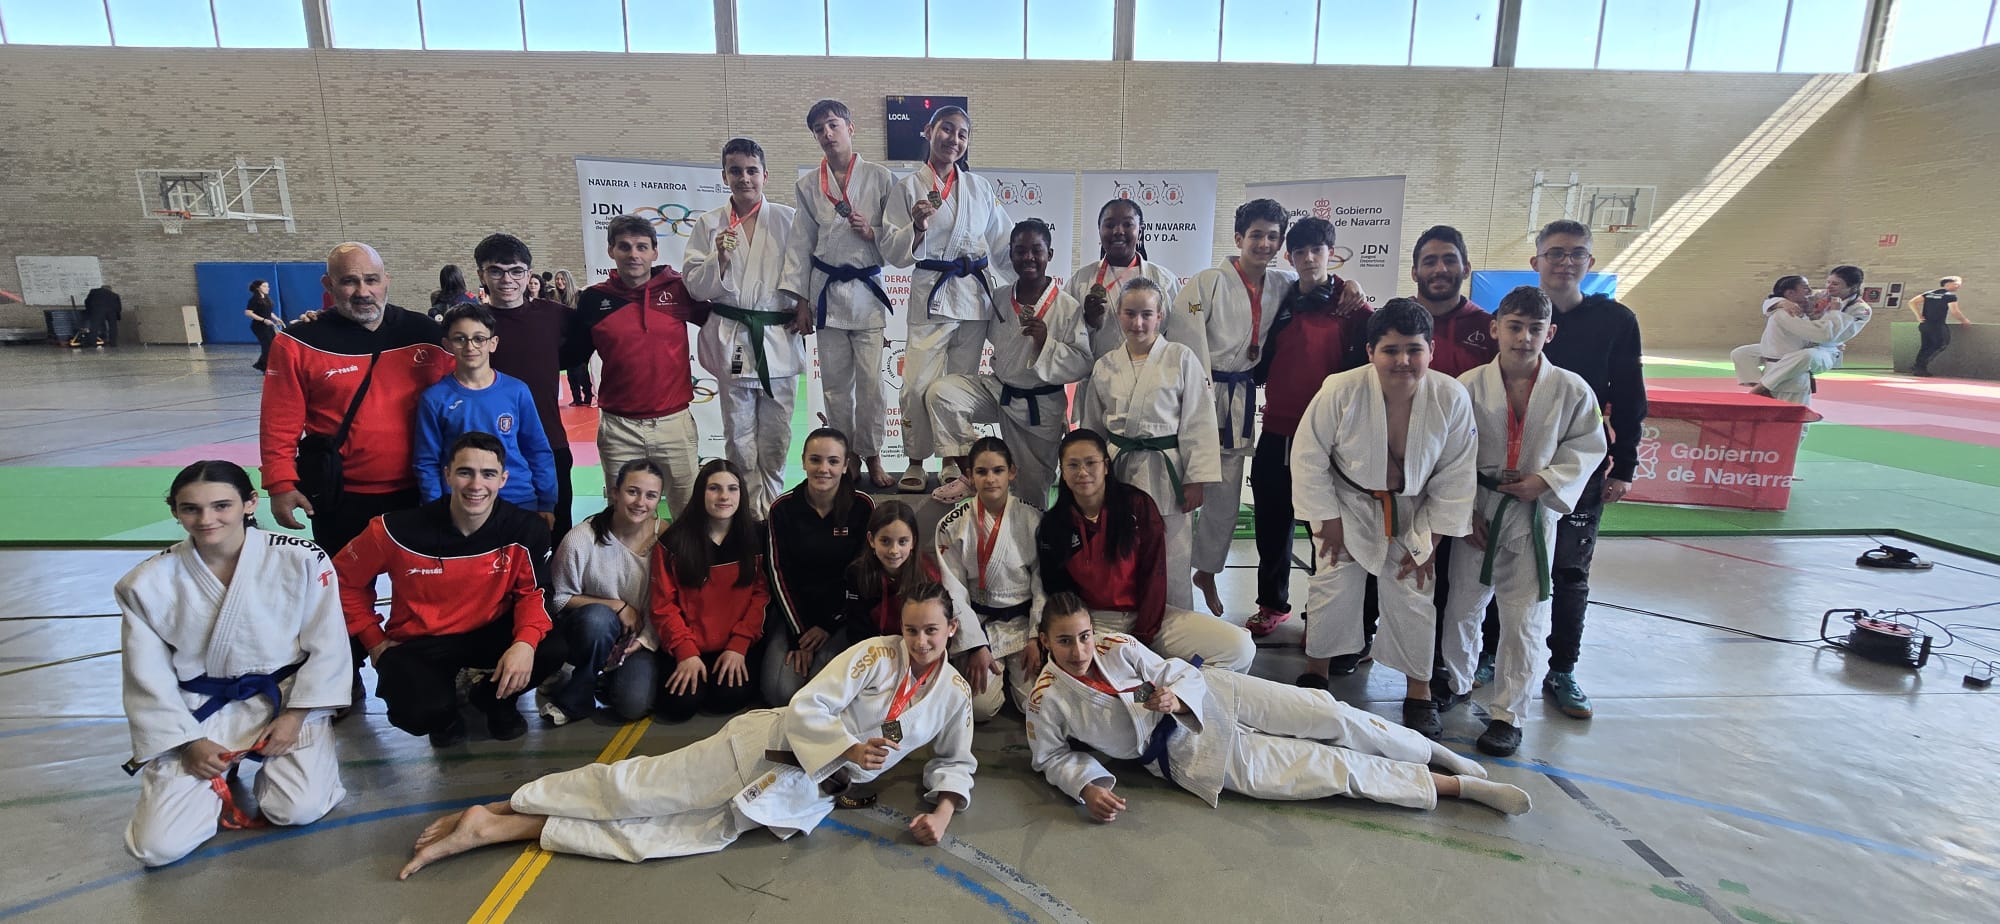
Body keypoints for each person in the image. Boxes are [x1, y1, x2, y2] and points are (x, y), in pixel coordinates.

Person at [396, 583, 976, 876]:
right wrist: (848, 745)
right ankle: (506, 806)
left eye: (931, 631)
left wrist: (943, 813)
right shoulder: (875, 655)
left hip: (805, 793)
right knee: (639, 789)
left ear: (952, 628)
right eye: (911, 630)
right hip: (768, 749)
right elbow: (807, 705)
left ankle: (498, 827)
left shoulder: (953, 694)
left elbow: (955, 760)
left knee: (658, 837)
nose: (919, 641)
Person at [1026, 596, 1529, 820]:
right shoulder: (1048, 698)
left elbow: (1164, 672)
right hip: (1182, 752)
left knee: (1327, 712)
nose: (1080, 649)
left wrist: (1173, 695)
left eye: (1084, 636)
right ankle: (1458, 787)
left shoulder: (1115, 645)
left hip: (1213, 692)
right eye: (1065, 641)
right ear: (1045, 640)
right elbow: (1051, 757)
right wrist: (1086, 786)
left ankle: (1436, 753)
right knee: (1323, 766)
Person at [117, 461, 351, 866]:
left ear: (250, 503)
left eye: (221, 506)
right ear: (175, 511)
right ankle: (210, 773)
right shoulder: (146, 582)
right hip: (198, 713)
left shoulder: (301, 559)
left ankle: (295, 757)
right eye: (191, 508)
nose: (206, 519)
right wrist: (189, 742)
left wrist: (296, 716)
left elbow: (328, 644)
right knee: (156, 847)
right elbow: (147, 676)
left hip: (283, 700)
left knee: (297, 808)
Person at [260, 242, 452, 710]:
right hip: (341, 496)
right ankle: (343, 676)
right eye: (348, 281)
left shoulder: (427, 335)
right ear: (328, 286)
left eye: (370, 280)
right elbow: (280, 419)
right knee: (339, 593)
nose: (362, 291)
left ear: (387, 281)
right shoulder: (299, 341)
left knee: (426, 589)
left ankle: (429, 674)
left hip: (419, 492)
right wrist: (281, 483)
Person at [1484, 220, 1648, 721]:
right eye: (1555, 252)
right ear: (1536, 261)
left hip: (1577, 469)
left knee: (1569, 571)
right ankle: (1489, 654)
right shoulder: (1514, 316)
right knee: (1499, 562)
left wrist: (1624, 464)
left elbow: (1630, 394)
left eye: (1576, 253)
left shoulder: (1615, 320)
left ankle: (1562, 668)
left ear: (1590, 262)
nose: (1565, 262)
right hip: (1510, 471)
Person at [1290, 300, 1477, 738]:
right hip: (1347, 504)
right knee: (1332, 584)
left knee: (1415, 593)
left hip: (1414, 511)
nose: (1403, 361)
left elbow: (1455, 473)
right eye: (1391, 350)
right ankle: (1317, 672)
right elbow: (1309, 455)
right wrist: (1327, 520)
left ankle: (1419, 692)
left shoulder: (1451, 396)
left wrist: (1434, 538)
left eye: (1414, 349)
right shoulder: (1340, 389)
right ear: (1370, 351)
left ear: (1431, 350)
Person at [1439, 287, 1606, 757]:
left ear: (1550, 333)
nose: (1523, 338)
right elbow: (1450, 453)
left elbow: (1588, 446)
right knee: (1462, 606)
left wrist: (1546, 481)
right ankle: (1455, 680)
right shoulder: (1467, 385)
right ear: (1495, 329)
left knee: (1523, 616)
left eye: (1535, 329)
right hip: (1480, 507)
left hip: (1534, 514)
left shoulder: (1572, 389)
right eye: (1514, 327)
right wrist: (1463, 511)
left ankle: (1508, 714)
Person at [336, 432, 564, 747]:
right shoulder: (394, 530)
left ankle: (493, 699)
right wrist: (374, 640)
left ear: (503, 479)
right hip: (422, 640)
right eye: (465, 472)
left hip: (489, 631)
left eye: (488, 474)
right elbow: (341, 581)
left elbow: (534, 593)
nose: (476, 485)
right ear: (447, 475)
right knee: (416, 712)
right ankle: (445, 716)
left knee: (553, 646)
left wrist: (524, 643)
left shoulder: (526, 529)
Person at [1038, 429, 1255, 673]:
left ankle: (1184, 689)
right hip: (1092, 625)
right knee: (1110, 681)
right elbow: (1058, 592)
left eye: (1091, 463)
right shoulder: (1054, 525)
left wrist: (1143, 635)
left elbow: (1155, 574)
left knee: (1239, 647)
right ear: (1062, 471)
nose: (1082, 472)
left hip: (1149, 618)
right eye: (1073, 465)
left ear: (1106, 466)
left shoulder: (1136, 505)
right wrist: (1079, 635)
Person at [880, 105, 1014, 494]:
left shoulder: (979, 188)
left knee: (956, 385)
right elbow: (891, 249)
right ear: (928, 130)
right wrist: (917, 228)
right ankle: (915, 458)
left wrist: (1028, 278)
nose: (954, 139)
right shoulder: (907, 187)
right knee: (916, 385)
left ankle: (952, 460)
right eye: (947, 129)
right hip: (931, 294)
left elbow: (1002, 242)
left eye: (962, 134)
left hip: (972, 296)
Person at [1173, 200, 1294, 621]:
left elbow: (1322, 284)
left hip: (1240, 396)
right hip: (1200, 393)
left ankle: (1206, 570)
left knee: (1225, 495)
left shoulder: (1283, 284)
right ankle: (1171, 574)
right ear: (1239, 237)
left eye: (1273, 236)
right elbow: (1186, 339)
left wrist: (1347, 286)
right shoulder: (1207, 283)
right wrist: (1198, 396)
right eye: (1256, 234)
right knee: (1184, 487)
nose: (1264, 243)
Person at [926, 218, 1091, 508]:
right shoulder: (1000, 297)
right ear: (1011, 255)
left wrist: (1046, 344)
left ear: (1049, 255)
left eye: (1036, 250)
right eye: (1020, 251)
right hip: (999, 391)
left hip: (1040, 408)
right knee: (942, 393)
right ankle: (972, 472)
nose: (1028, 257)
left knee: (1031, 497)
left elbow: (1082, 363)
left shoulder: (1067, 307)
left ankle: (1030, 534)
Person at [780, 99, 900, 489]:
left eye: (833, 124)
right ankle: (847, 458)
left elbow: (898, 238)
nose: (827, 134)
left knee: (872, 386)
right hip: (827, 295)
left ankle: (874, 455)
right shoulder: (807, 186)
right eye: (819, 129)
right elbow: (800, 244)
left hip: (866, 296)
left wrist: (873, 234)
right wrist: (801, 301)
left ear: (851, 127)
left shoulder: (880, 178)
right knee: (834, 387)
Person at [683, 138, 804, 516]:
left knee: (777, 435)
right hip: (733, 336)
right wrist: (718, 257)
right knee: (738, 436)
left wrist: (805, 304)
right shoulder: (709, 224)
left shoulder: (788, 219)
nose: (744, 178)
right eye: (735, 170)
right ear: (724, 176)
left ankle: (773, 509)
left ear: (765, 175)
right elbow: (694, 285)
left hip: (778, 337)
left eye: (752, 170)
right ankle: (748, 513)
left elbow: (806, 272)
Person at [1084, 278, 1219, 613]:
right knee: (1122, 549)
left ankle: (1176, 620)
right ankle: (1127, 619)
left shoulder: (1181, 358)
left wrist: (1196, 479)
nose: (1138, 322)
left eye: (1147, 314)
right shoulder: (1105, 365)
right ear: (1118, 314)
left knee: (1172, 553)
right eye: (1130, 313)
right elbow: (1092, 429)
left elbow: (1199, 421)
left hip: (1167, 471)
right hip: (1119, 469)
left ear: (1160, 316)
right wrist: (1090, 477)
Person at [566, 215, 708, 515]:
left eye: (642, 247)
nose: (634, 254)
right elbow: (571, 354)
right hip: (619, 428)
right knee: (624, 517)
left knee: (688, 515)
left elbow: (724, 320)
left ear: (655, 252)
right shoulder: (594, 299)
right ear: (611, 251)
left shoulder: (679, 290)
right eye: (625, 246)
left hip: (673, 424)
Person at [544, 459, 667, 725]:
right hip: (589, 631)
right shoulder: (581, 538)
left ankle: (602, 676)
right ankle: (577, 694)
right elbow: (557, 599)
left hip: (637, 637)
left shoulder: (666, 539)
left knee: (633, 704)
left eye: (651, 495)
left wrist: (644, 641)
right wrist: (617, 606)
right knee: (599, 620)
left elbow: (668, 602)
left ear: (659, 500)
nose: (640, 502)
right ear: (614, 492)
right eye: (632, 491)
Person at [473, 233, 580, 536]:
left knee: (556, 532)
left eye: (516, 271)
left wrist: (552, 362)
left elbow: (583, 346)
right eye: (496, 271)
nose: (507, 280)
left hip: (549, 440)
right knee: (492, 534)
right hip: (489, 445)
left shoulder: (554, 315)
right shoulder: (472, 323)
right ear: (481, 275)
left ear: (528, 273)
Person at [414, 304, 558, 527]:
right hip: (462, 503)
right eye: (460, 339)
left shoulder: (516, 391)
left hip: (518, 499)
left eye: (479, 339)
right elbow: (427, 461)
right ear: (447, 345)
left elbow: (537, 449)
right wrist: (436, 506)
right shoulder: (434, 399)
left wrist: (546, 501)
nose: (470, 346)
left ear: (493, 343)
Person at [648, 459, 770, 722]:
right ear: (700, 493)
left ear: (742, 494)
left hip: (735, 644)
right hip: (689, 644)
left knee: (725, 699)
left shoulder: (757, 538)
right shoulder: (674, 543)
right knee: (679, 706)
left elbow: (762, 596)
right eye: (714, 488)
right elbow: (663, 605)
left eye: (732, 489)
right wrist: (685, 652)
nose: (724, 496)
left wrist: (739, 645)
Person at [763, 428, 875, 707]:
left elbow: (863, 573)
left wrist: (829, 623)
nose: (823, 469)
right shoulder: (782, 509)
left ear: (845, 465)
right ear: (803, 461)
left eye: (833, 461)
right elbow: (778, 575)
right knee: (780, 693)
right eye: (815, 460)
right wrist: (799, 633)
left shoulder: (862, 506)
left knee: (821, 688)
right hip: (795, 616)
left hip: (842, 615)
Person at [935, 437, 1046, 718]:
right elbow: (954, 589)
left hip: (1023, 625)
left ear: (1012, 472)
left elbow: (1042, 584)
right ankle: (989, 666)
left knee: (1038, 705)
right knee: (980, 709)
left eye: (998, 470)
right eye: (981, 472)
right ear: (969, 475)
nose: (990, 479)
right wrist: (975, 645)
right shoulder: (952, 524)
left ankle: (1014, 675)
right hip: (982, 624)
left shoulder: (1033, 518)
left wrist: (1036, 636)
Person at [1066, 198, 1184, 422]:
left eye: (1128, 224)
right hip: (1097, 388)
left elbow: (1176, 339)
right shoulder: (1081, 281)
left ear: (1141, 230)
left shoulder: (1164, 281)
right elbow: (1065, 339)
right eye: (1109, 224)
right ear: (1099, 230)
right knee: (1095, 443)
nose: (1118, 231)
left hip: (1150, 387)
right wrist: (1088, 323)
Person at [1753, 265, 1870, 406]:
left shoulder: (1860, 309)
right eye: (1828, 282)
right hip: (1805, 342)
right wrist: (1782, 302)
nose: (1829, 286)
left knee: (1806, 355)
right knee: (1744, 352)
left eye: (1835, 284)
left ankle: (1763, 386)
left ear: (1852, 287)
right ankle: (1754, 382)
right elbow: (1772, 300)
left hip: (1826, 350)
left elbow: (1829, 335)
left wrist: (1835, 312)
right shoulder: (1822, 295)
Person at [1409, 225, 1497, 378]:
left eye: (1450, 261)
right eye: (1430, 262)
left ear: (1466, 270)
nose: (1440, 269)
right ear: (1414, 273)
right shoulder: (1391, 322)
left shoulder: (1489, 328)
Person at [844, 500, 940, 638]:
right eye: (885, 541)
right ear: (871, 540)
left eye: (902, 541)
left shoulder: (928, 574)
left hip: (916, 643)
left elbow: (934, 627)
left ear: (913, 541)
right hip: (873, 644)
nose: (894, 550)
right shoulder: (857, 573)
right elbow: (857, 626)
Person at [1729, 275, 1817, 390]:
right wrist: (1782, 303)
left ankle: (1762, 387)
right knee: (1741, 353)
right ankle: (1757, 384)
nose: (1810, 290)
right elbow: (1769, 302)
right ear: (1790, 293)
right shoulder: (1779, 308)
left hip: (1793, 351)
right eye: (1805, 288)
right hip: (1775, 348)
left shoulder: (1811, 302)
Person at [1912, 275, 1971, 376]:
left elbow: (1912, 302)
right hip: (1937, 325)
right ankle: (1919, 366)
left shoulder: (1929, 293)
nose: (1958, 286)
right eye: (1957, 284)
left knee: (1926, 346)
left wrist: (1918, 316)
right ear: (1948, 284)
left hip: (1925, 324)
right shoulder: (1950, 296)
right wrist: (1964, 320)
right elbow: (1954, 311)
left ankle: (1918, 367)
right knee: (1941, 344)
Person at [245, 279, 282, 372]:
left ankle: (261, 364)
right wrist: (263, 320)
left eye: (268, 286)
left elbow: (269, 312)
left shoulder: (266, 298)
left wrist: (276, 319)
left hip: (268, 325)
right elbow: (248, 313)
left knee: (273, 345)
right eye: (264, 286)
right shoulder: (254, 299)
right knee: (267, 346)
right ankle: (265, 367)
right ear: (258, 288)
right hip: (259, 326)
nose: (267, 288)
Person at [77, 283, 121, 347]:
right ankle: (113, 343)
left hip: (98, 311)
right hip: (112, 312)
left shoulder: (94, 291)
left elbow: (87, 301)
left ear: (101, 288)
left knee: (95, 327)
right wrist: (117, 315)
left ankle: (92, 343)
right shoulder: (115, 295)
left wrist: (90, 310)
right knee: (113, 327)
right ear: (110, 289)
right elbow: (118, 307)